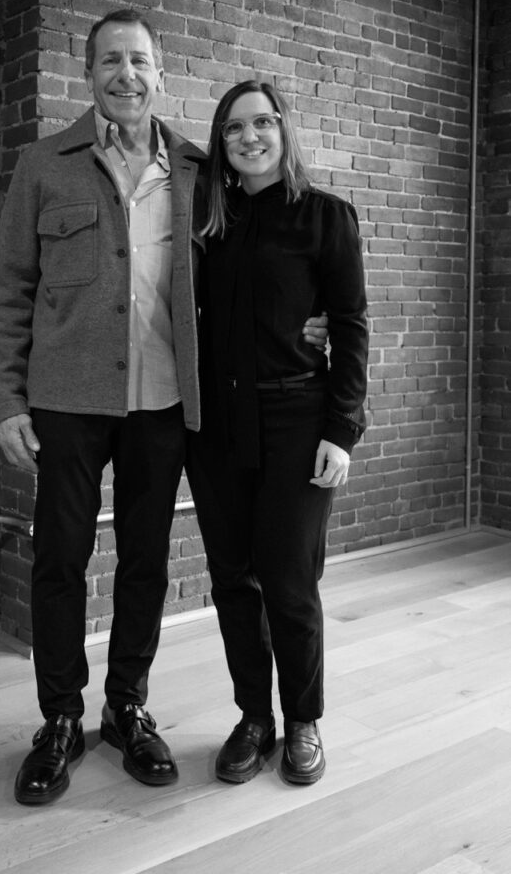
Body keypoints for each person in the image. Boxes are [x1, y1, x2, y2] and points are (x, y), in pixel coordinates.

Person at [0, 10, 328, 806]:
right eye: (111, 61)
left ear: (161, 73)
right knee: (60, 559)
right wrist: (8, 402)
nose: (126, 75)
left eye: (140, 61)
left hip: (166, 403)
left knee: (144, 562)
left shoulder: (200, 170)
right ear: (90, 73)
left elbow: (260, 265)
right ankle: (61, 720)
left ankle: (128, 706)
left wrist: (319, 328)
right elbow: (8, 292)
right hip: (68, 402)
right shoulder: (43, 166)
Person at [186, 80, 368, 788]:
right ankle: (253, 719)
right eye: (233, 129)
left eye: (262, 123)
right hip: (219, 429)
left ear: (285, 130)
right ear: (221, 144)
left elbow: (350, 328)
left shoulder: (327, 218)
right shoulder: (209, 224)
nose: (249, 137)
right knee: (233, 580)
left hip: (299, 422)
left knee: (289, 581)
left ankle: (302, 721)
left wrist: (342, 431)